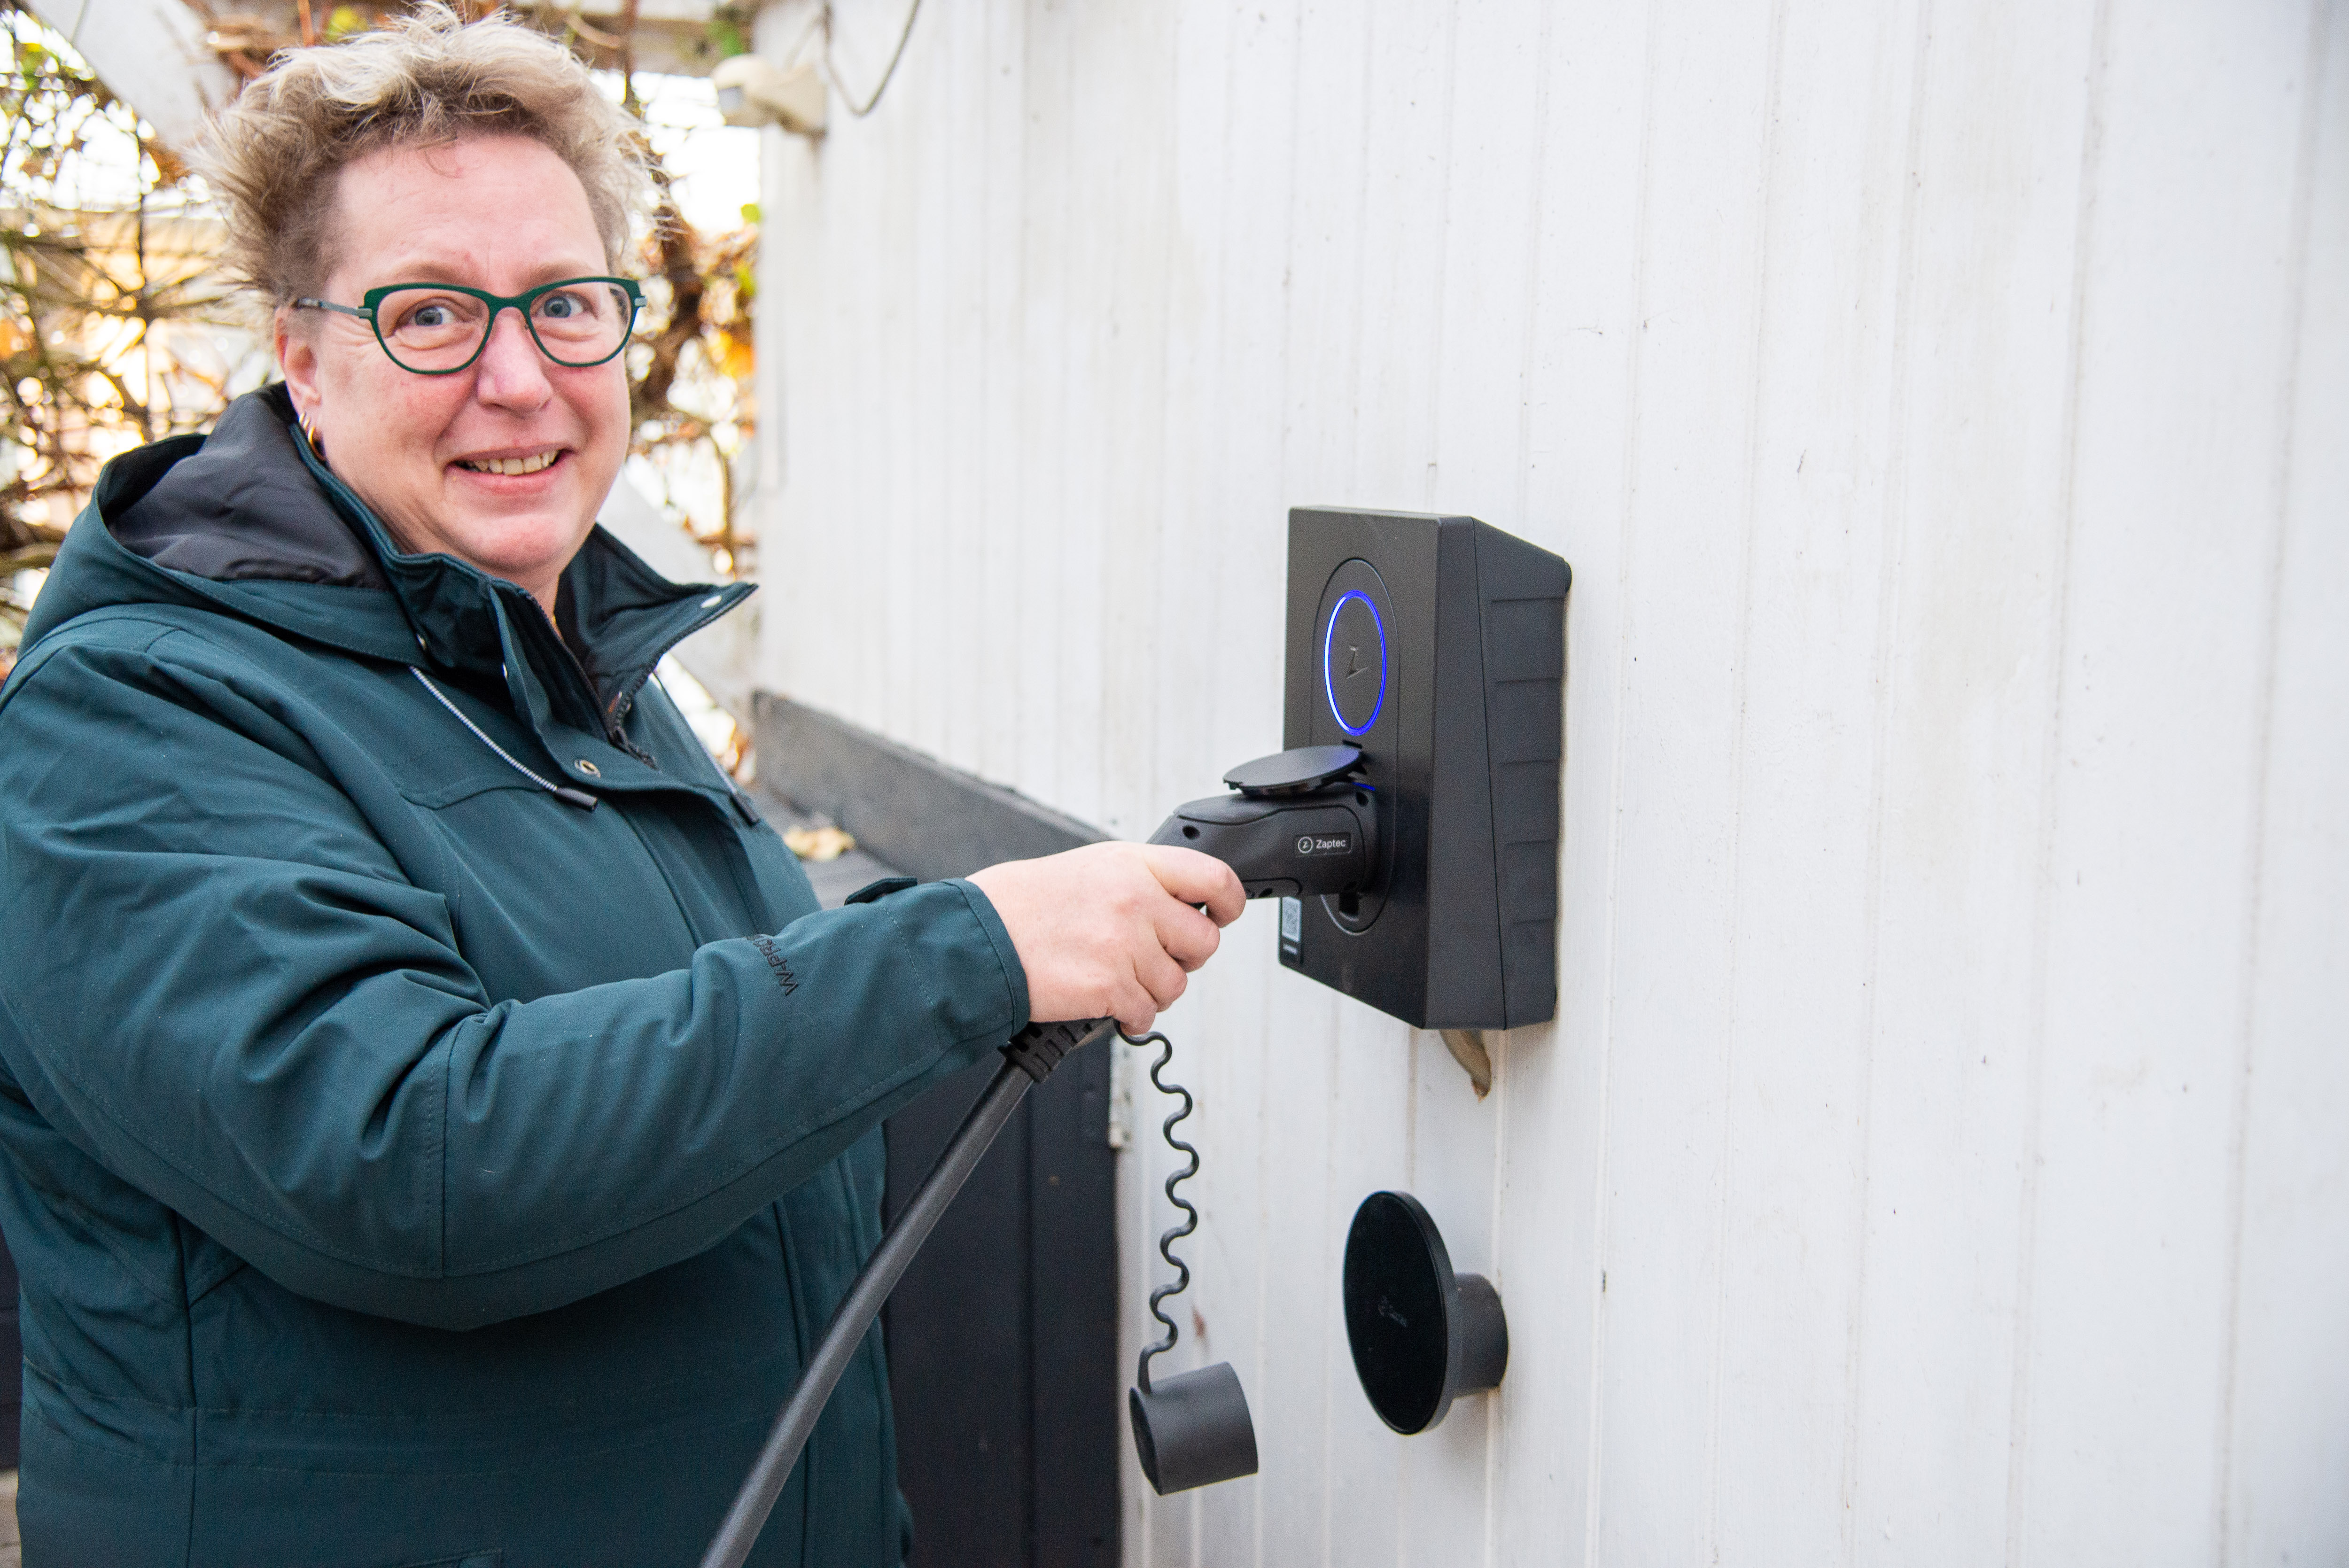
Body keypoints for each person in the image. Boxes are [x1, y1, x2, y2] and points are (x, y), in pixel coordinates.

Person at [0, 9, 1242, 1564]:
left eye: (568, 306)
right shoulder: (131, 718)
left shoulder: (563, 665)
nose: (520, 380)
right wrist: (961, 948)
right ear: (302, 362)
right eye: (434, 315)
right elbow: (411, 1154)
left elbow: (709, 1129)